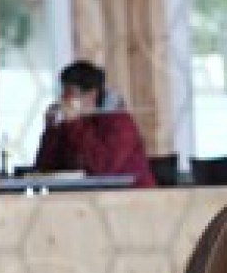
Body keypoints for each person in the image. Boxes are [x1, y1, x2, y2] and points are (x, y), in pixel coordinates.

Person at [31, 60, 156, 188]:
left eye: (70, 92)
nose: (64, 99)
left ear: (91, 94)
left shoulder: (120, 123)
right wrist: (51, 130)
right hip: (88, 196)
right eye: (63, 92)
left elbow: (101, 169)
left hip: (132, 196)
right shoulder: (71, 124)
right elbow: (44, 169)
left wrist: (74, 123)